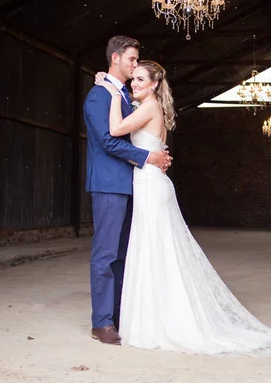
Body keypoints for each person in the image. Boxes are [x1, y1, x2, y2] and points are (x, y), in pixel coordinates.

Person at [94, 61, 271, 357]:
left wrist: (111, 92)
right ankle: (154, 318)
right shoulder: (149, 107)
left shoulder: (148, 107)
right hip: (150, 184)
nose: (133, 83)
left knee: (155, 251)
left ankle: (161, 322)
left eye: (139, 79)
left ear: (153, 85)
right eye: (132, 78)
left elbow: (114, 130)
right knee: (156, 252)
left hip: (151, 186)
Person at [83, 36, 172, 346]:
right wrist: (148, 156)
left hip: (134, 184)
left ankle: (120, 315)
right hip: (109, 184)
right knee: (106, 254)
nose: (136, 65)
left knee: (124, 254)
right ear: (116, 58)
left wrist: (155, 150)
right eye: (132, 60)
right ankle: (101, 323)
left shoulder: (122, 94)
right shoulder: (99, 96)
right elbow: (108, 140)